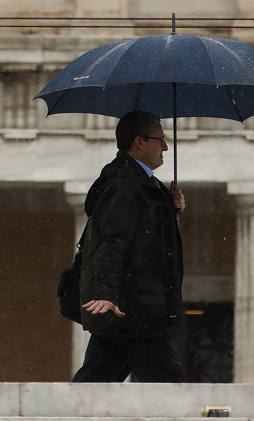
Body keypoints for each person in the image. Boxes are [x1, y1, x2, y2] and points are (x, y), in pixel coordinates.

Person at [72, 110, 187, 382]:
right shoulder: (125, 185)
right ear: (139, 142)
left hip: (129, 313)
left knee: (91, 386)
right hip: (136, 311)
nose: (165, 147)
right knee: (172, 388)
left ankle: (59, 412)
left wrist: (172, 209)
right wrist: (105, 293)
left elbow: (146, 238)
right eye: (160, 139)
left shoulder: (141, 184)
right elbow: (113, 242)